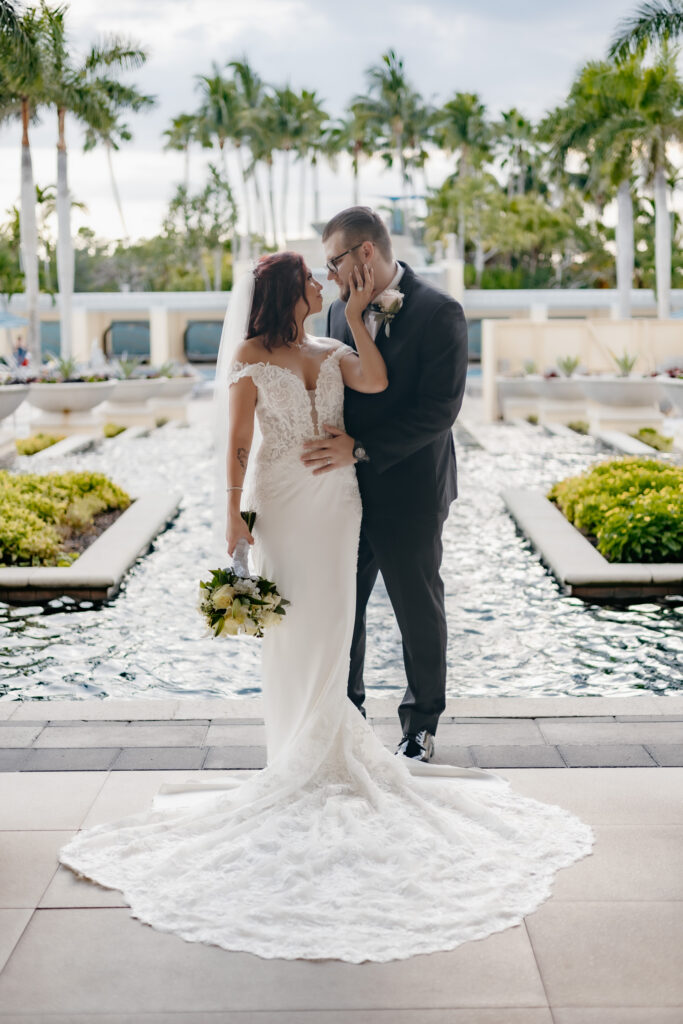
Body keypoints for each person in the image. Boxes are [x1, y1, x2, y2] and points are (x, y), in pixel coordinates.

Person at [59, 249, 593, 964]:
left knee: (336, 627)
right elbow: (240, 445)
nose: (323, 283)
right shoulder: (250, 354)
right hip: (280, 504)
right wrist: (233, 516)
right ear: (286, 290)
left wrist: (355, 323)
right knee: (293, 631)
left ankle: (332, 746)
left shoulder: (335, 345)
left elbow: (373, 380)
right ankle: (291, 753)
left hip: (337, 504)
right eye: (312, 279)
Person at [305, 207, 465, 763]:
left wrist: (363, 449)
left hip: (412, 491)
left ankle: (420, 727)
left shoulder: (440, 311)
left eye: (334, 261)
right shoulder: (331, 314)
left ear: (365, 253)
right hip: (345, 493)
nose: (328, 275)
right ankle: (346, 719)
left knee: (415, 608)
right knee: (341, 608)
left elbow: (440, 411)